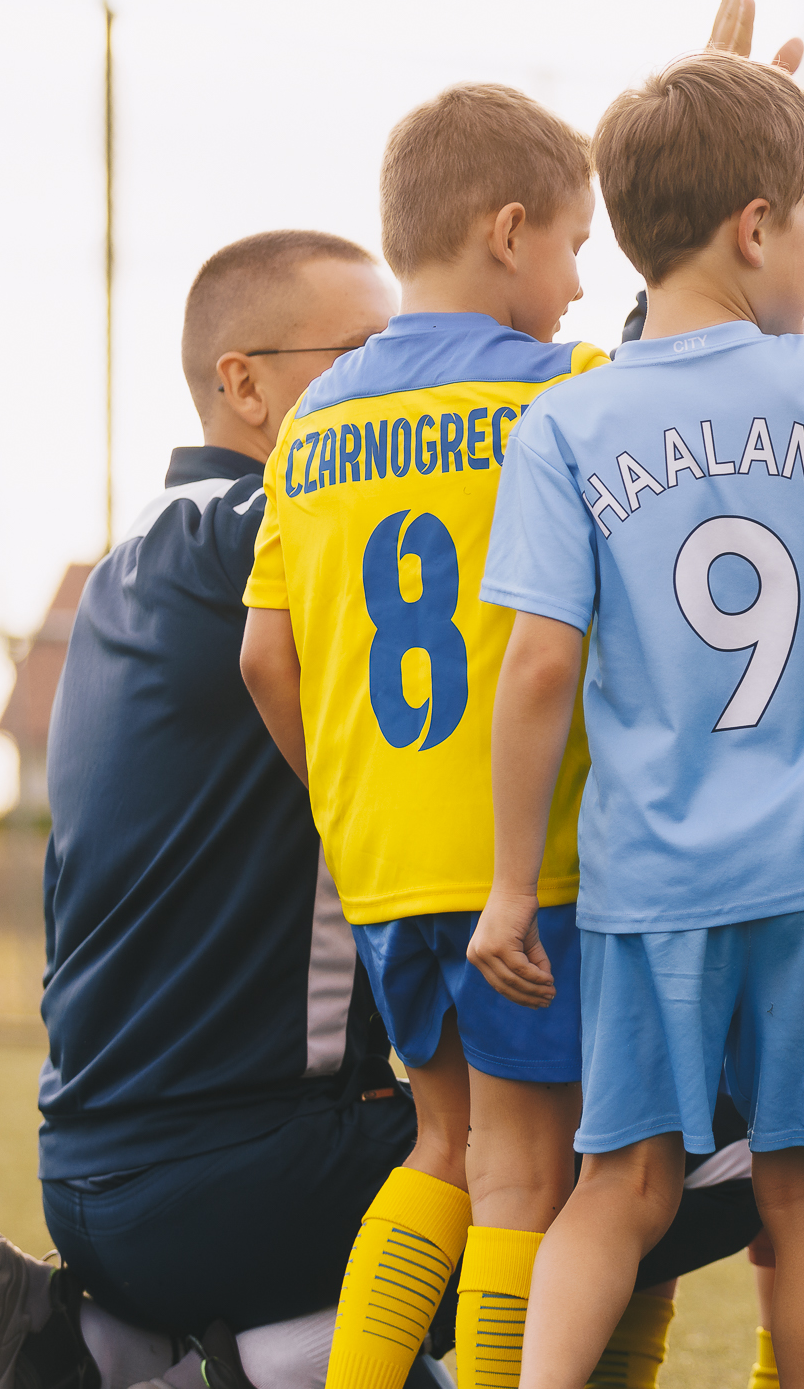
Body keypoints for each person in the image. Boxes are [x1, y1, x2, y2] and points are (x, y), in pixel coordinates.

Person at [465, 48, 804, 1389]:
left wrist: (512, 883)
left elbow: (537, 669)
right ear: (757, 229)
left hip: (651, 876)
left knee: (618, 1183)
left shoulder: (566, 422)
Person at [0, 229, 449, 1389]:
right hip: (254, 1164)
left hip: (98, 1174)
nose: (402, 380)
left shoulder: (140, 558)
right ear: (244, 384)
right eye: (366, 354)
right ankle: (253, 1355)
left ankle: (108, 1350)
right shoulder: (259, 536)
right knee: (692, 1150)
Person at [238, 83, 606, 1389]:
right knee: (529, 1171)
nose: (580, 282)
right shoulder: (572, 392)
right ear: (508, 231)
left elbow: (264, 655)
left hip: (385, 861)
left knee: (442, 1146)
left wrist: (348, 803)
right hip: (526, 856)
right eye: (573, 244)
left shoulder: (311, 422)